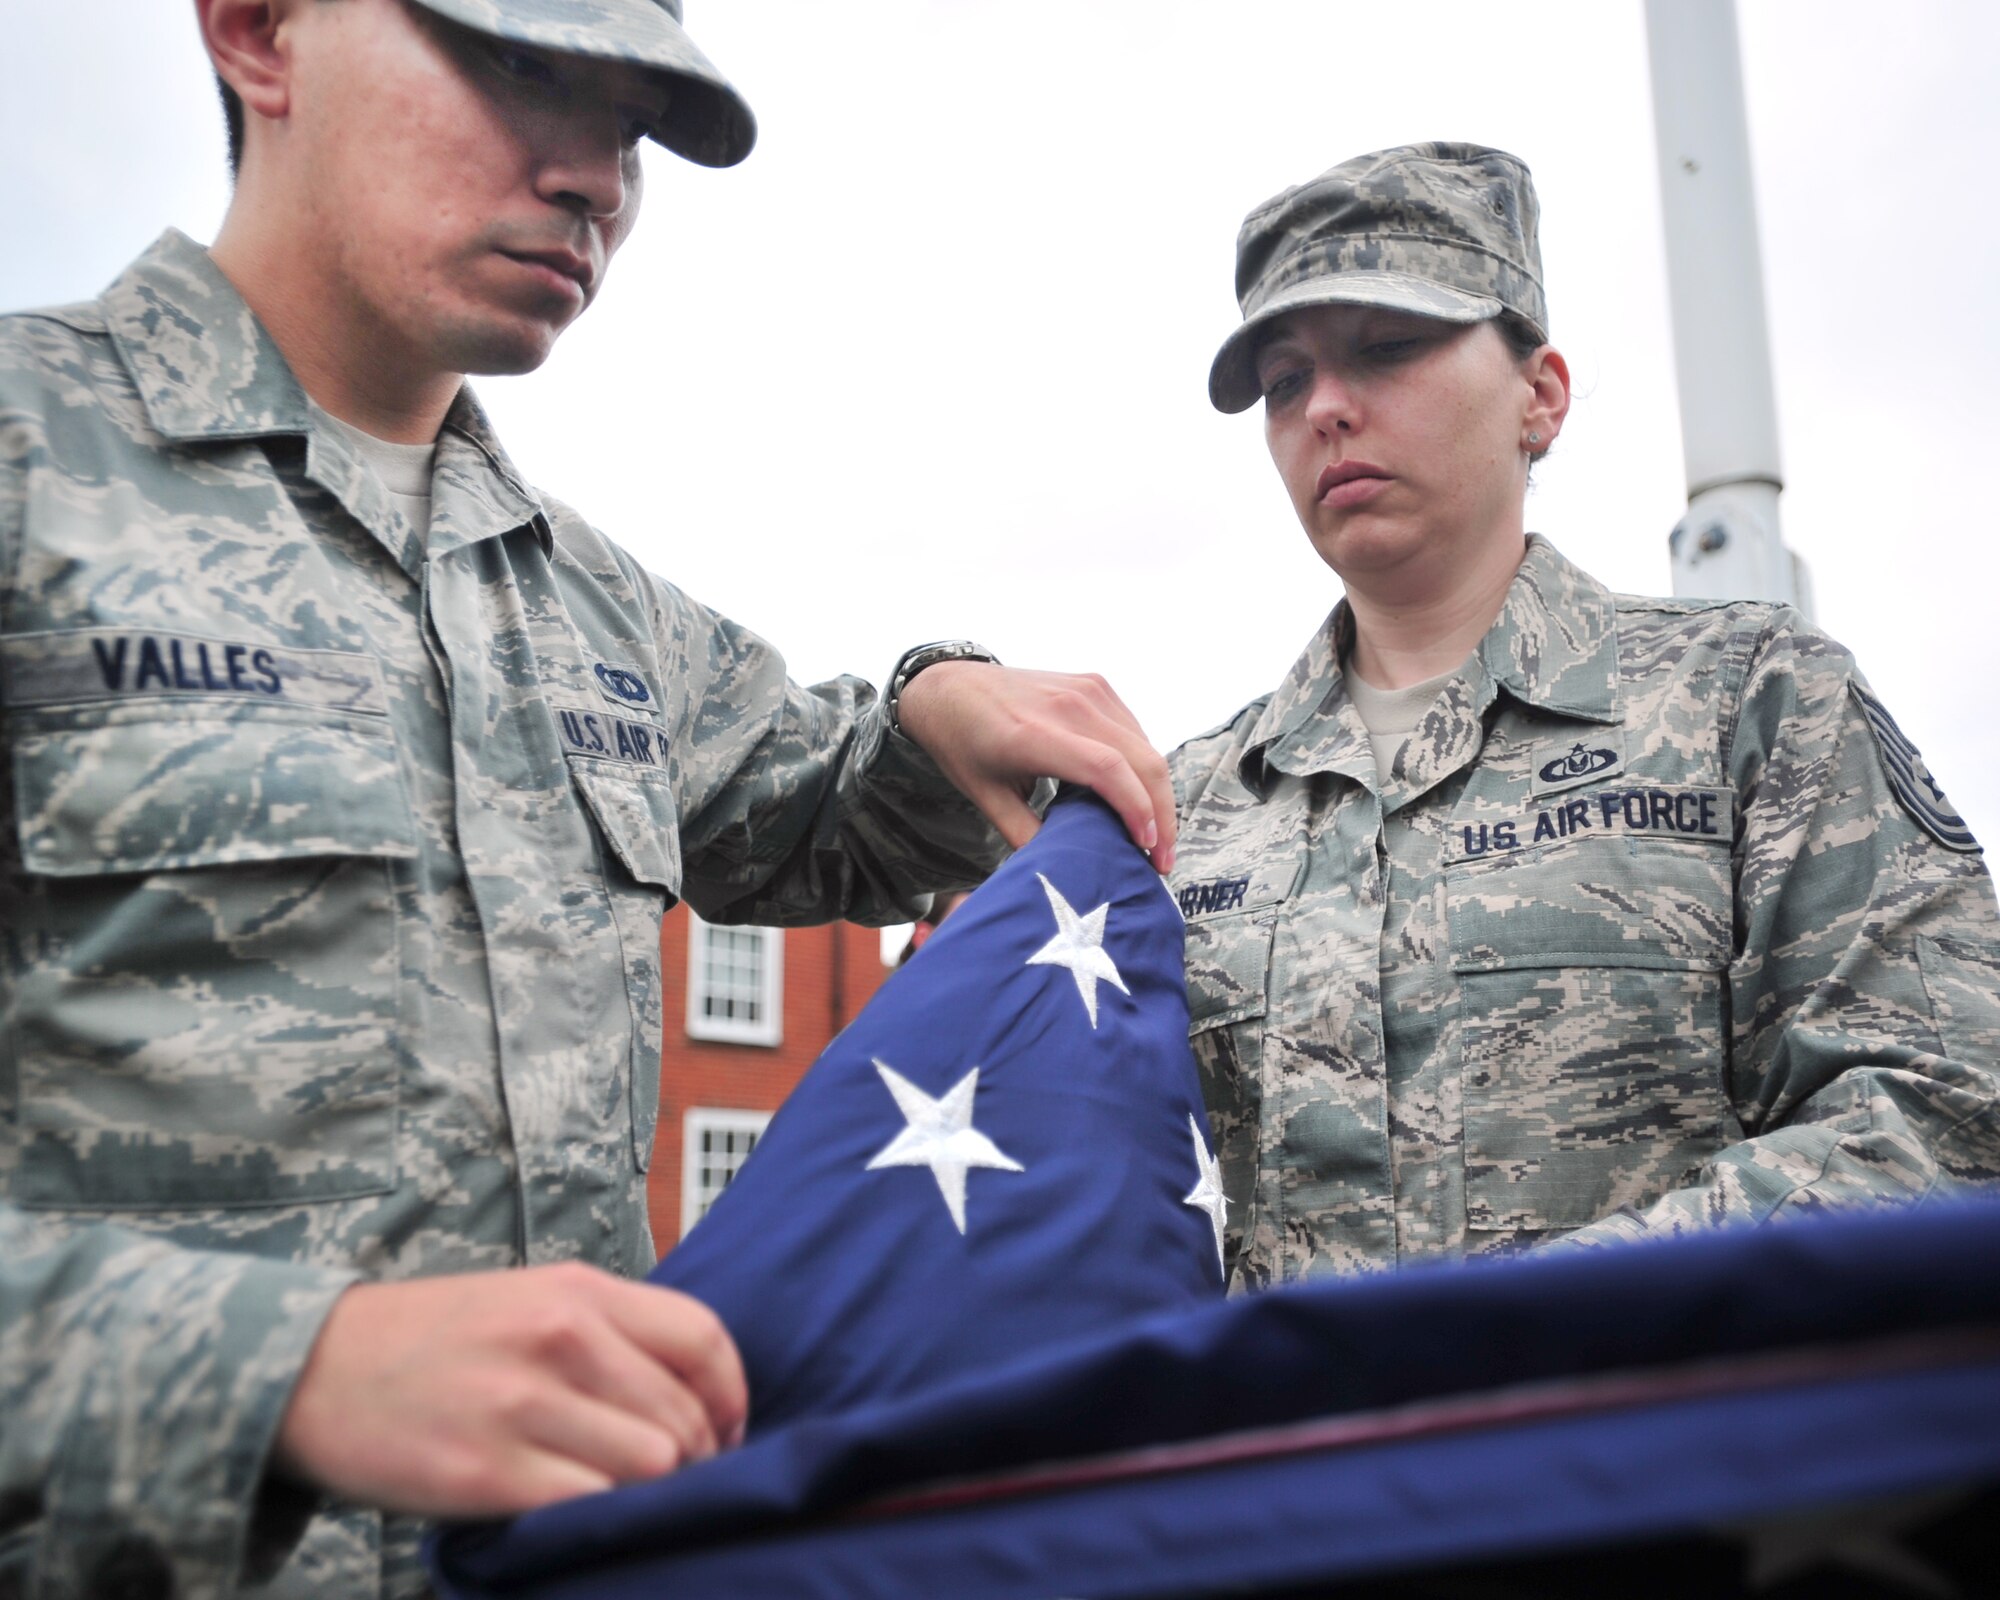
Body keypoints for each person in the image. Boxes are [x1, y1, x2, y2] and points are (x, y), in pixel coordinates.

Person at [0, 2, 1176, 1595]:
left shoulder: (591, 604)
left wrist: (937, 692)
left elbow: (836, 797)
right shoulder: (29, 473)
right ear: (261, 33)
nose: (594, 178)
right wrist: (276, 1369)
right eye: (521, 67)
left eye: (629, 124)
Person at [1169, 142, 2000, 1291]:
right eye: (1281, 381)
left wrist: (1541, 1321)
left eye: (1388, 348)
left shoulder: (1747, 702)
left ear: (1539, 395)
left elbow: (1939, 1106)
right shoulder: (1188, 811)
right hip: (1299, 1469)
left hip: (1661, 1455)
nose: (1325, 408)